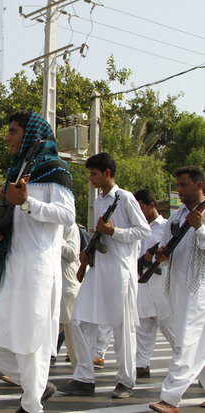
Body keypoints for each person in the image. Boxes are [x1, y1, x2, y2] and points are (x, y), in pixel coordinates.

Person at [0, 111, 75, 413]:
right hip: (10, 263)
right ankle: (37, 387)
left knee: (33, 339)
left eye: (13, 132)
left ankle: (32, 404)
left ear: (31, 134)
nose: (7, 138)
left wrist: (28, 203)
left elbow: (68, 215)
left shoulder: (56, 169)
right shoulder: (17, 170)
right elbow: (13, 216)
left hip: (37, 267)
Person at [59, 152, 150, 399]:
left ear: (107, 173)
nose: (90, 178)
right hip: (98, 270)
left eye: (94, 173)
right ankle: (84, 378)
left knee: (122, 328)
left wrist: (114, 231)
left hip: (120, 272)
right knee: (80, 319)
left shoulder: (125, 198)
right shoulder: (99, 201)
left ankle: (126, 381)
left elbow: (144, 230)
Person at [149, 166, 205, 413]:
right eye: (178, 185)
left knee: (186, 341)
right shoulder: (178, 214)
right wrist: (162, 255)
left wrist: (200, 229)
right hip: (176, 286)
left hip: (198, 289)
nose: (179, 191)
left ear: (199, 185)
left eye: (184, 185)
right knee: (197, 341)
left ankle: (170, 398)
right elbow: (167, 245)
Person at [133, 189, 174, 379]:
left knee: (171, 328)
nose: (138, 212)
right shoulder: (137, 227)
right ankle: (142, 364)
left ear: (151, 206)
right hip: (142, 281)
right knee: (143, 326)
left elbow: (173, 254)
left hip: (161, 280)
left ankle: (197, 369)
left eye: (140, 207)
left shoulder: (167, 226)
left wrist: (153, 258)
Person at [60, 221, 81, 370]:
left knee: (73, 336)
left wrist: (55, 239)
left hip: (67, 287)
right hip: (51, 286)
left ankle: (81, 374)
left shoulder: (70, 226)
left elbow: (73, 253)